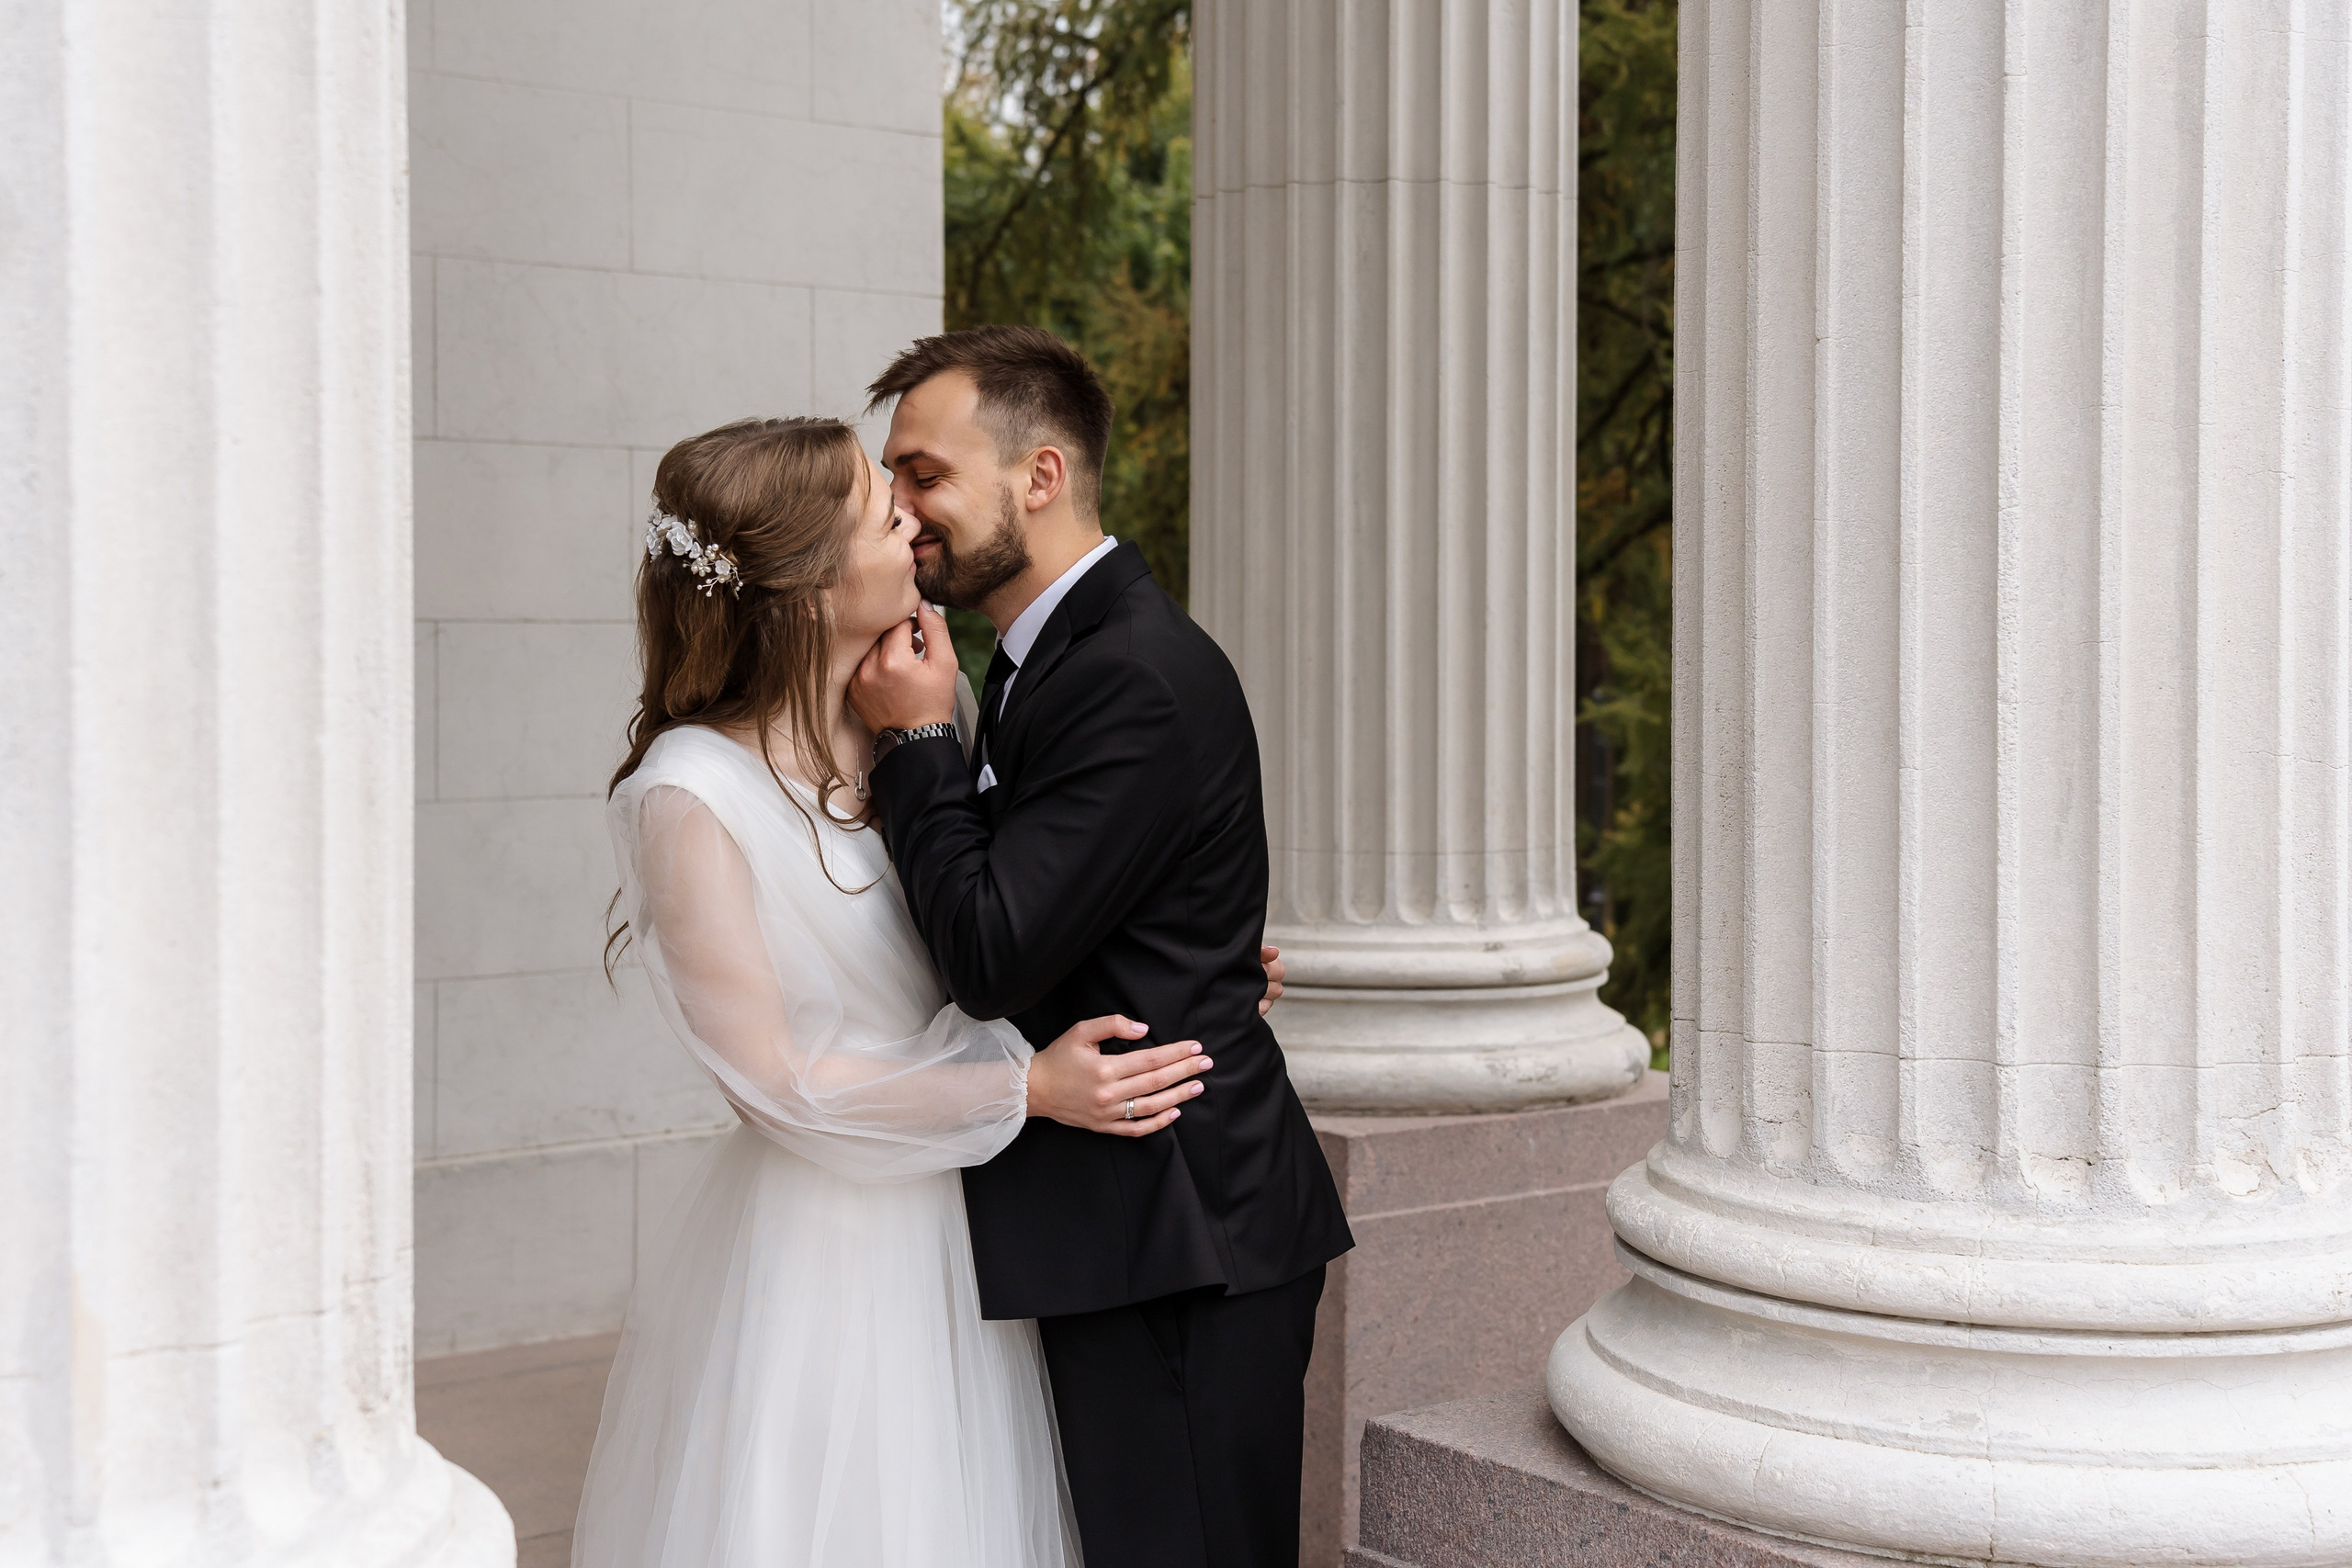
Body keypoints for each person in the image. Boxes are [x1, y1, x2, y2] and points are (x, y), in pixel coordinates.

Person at [573, 415, 1279, 1568]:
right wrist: (1027, 1090)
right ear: (805, 586)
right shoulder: (688, 794)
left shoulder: (911, 713)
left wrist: (1189, 957)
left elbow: (999, 922)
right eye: (877, 507)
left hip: (969, 1223)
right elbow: (774, 1080)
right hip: (829, 1247)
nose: (910, 516)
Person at [851, 325, 1355, 1568]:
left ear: (1041, 473)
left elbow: (992, 948)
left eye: (925, 472)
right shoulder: (1039, 663)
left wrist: (918, 747)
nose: (901, 507)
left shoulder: (1124, 671)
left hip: (1177, 1232)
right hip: (1129, 1224)